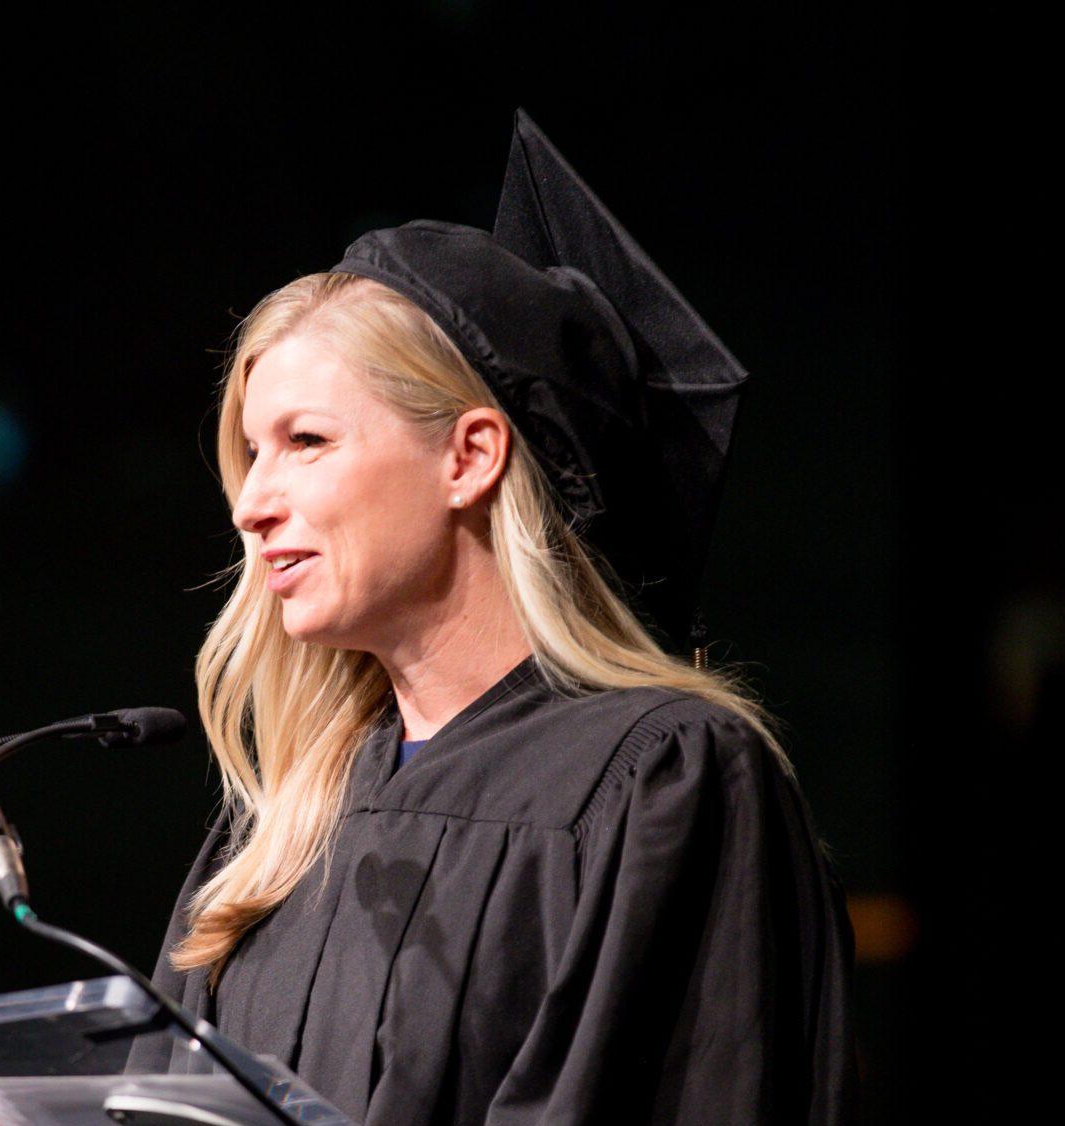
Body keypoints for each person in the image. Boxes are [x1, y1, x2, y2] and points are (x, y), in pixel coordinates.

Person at [130, 112, 857, 1124]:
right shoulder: (282, 823)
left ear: (469, 456)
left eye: (305, 440)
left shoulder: (665, 777)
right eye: (253, 454)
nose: (252, 502)